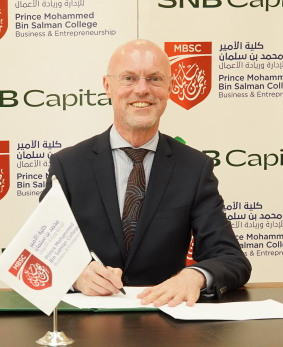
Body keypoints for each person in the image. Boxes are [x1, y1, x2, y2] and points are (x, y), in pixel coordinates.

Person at [39, 39, 250, 307]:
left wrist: (195, 276)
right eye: (129, 78)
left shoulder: (194, 168)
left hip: (164, 317)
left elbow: (231, 258)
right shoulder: (68, 165)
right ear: (107, 86)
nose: (142, 89)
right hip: (87, 320)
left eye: (154, 79)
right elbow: (40, 251)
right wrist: (75, 275)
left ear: (170, 88)